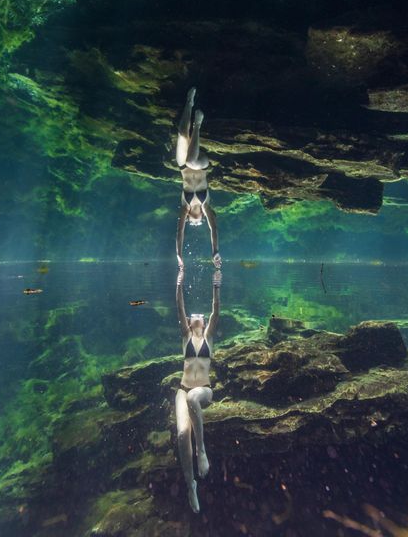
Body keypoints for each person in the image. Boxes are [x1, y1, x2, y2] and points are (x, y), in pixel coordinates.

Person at [175, 268, 221, 513]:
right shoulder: (185, 337)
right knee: (182, 434)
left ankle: (201, 450)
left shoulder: (209, 337)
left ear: (203, 323)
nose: (195, 316)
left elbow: (216, 308)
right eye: (192, 316)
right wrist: (179, 283)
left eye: (199, 316)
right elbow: (179, 306)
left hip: (203, 390)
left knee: (194, 396)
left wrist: (217, 282)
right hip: (182, 390)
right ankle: (190, 484)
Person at [176, 88, 222, 269]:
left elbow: (179, 231)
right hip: (201, 164)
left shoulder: (185, 207)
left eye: (192, 224)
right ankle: (198, 124)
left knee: (181, 133)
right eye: (199, 223)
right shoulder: (205, 206)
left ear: (188, 219)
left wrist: (179, 255)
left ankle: (189, 102)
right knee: (191, 159)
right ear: (202, 218)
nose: (195, 224)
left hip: (183, 167)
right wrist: (215, 251)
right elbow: (214, 229)